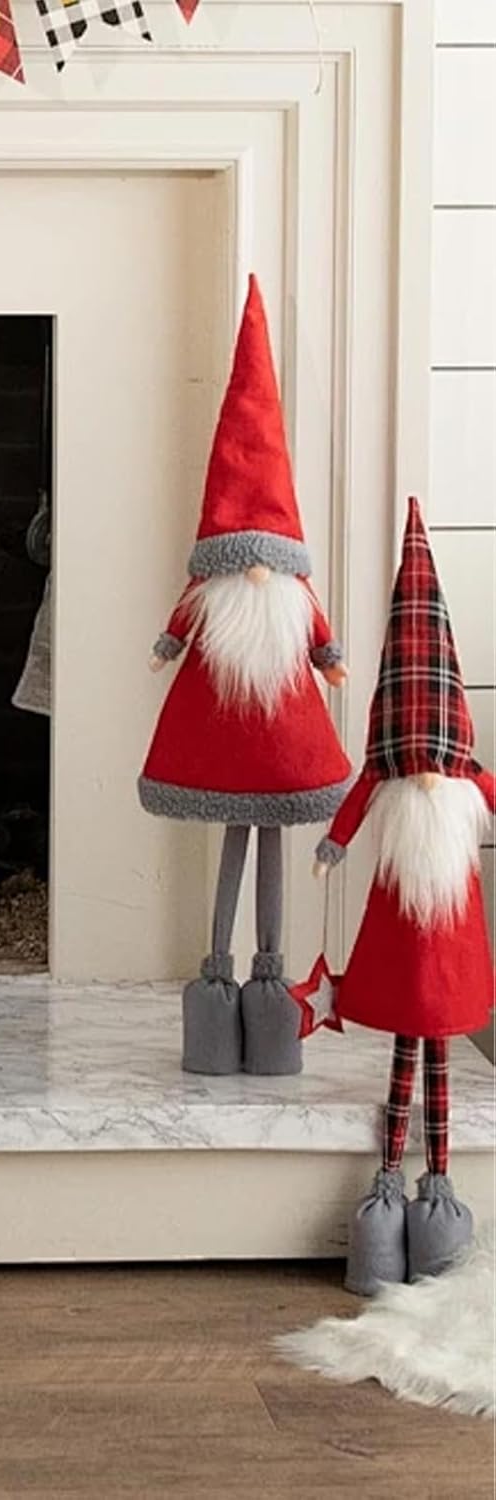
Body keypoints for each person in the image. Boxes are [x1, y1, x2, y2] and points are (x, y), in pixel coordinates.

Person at [141, 276, 352, 1076]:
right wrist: (167, 646)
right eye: (245, 556)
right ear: (225, 556)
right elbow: (182, 620)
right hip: (226, 747)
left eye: (268, 558)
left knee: (267, 850)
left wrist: (330, 660)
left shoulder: (292, 604)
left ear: (286, 556)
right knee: (235, 847)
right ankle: (215, 977)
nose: (258, 572)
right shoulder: (216, 599)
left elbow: (320, 636)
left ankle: (269, 987)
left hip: (282, 751)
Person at [313, 498, 493, 1295]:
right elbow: (357, 799)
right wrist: (331, 845)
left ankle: (437, 1189)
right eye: (412, 756)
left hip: (446, 948)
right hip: (406, 941)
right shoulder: (396, 785)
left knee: (437, 1056)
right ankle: (389, 1187)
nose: (424, 773)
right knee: (406, 1058)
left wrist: (335, 844)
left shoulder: (460, 788)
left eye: (436, 756)